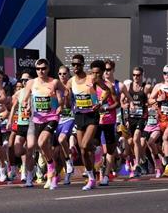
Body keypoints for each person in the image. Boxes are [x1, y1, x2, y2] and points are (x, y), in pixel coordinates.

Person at [67, 56, 110, 191]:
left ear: (82, 65)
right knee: (82, 150)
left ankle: (92, 176)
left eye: (78, 64)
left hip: (92, 115)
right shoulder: (71, 81)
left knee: (84, 145)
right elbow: (68, 100)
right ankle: (91, 176)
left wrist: (100, 103)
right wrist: (66, 98)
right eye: (73, 64)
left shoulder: (92, 78)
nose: (75, 67)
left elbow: (107, 90)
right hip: (79, 115)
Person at [24, 58, 65, 188]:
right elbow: (25, 98)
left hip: (51, 117)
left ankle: (51, 168)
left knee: (42, 142)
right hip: (36, 118)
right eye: (38, 69)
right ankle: (39, 172)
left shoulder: (54, 82)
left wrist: (61, 105)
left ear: (47, 69)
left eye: (43, 68)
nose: (40, 71)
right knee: (35, 147)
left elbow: (66, 92)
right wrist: (27, 105)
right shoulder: (31, 83)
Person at [124, 66, 152, 178]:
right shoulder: (128, 87)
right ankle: (143, 159)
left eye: (138, 75)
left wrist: (149, 103)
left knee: (136, 138)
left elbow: (150, 100)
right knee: (132, 142)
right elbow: (122, 101)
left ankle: (137, 165)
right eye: (134, 75)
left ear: (142, 75)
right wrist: (126, 105)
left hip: (142, 117)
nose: (136, 77)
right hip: (131, 118)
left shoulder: (146, 87)